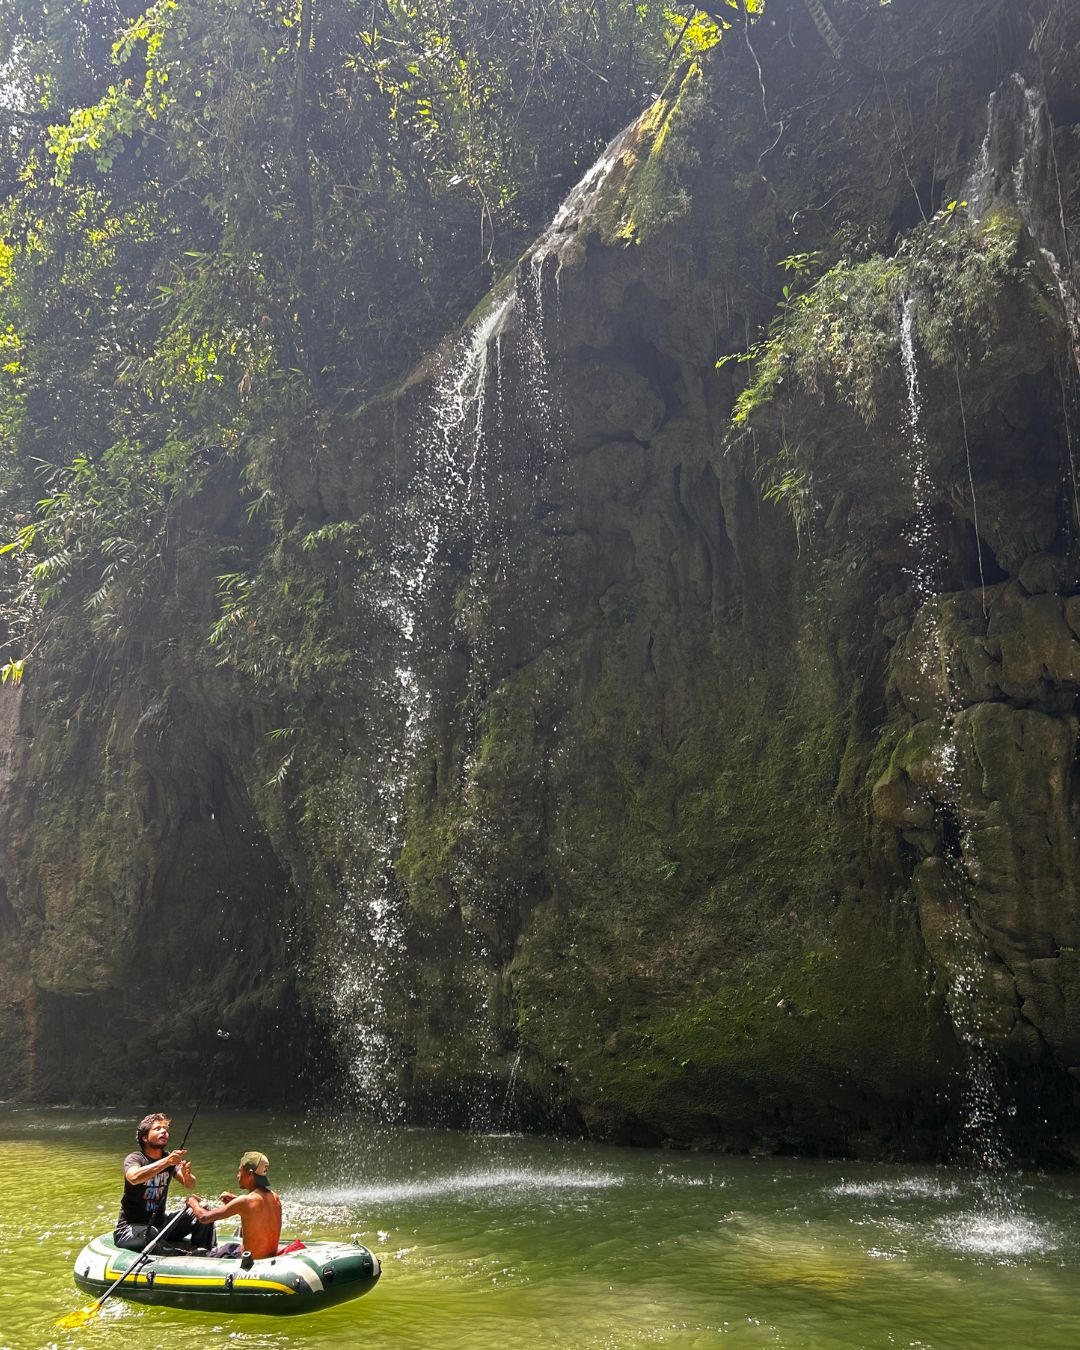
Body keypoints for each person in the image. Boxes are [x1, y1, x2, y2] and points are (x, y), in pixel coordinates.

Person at [115, 1112, 216, 1253]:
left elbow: (190, 1185)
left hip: (161, 1225)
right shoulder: (135, 1158)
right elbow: (134, 1177)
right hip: (131, 1229)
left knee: (203, 1208)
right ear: (145, 1137)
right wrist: (167, 1162)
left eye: (166, 1130)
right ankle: (178, 1255)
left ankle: (205, 1252)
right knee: (151, 1234)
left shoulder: (169, 1158)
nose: (164, 1131)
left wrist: (187, 1175)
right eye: (157, 1129)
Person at [186, 1151, 283, 1260]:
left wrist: (192, 1201)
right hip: (268, 1257)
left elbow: (204, 1217)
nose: (237, 1176)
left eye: (240, 1171)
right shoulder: (275, 1198)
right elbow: (258, 1209)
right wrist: (235, 1200)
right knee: (230, 1247)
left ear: (250, 1174)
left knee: (198, 1255)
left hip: (248, 1260)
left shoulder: (245, 1202)